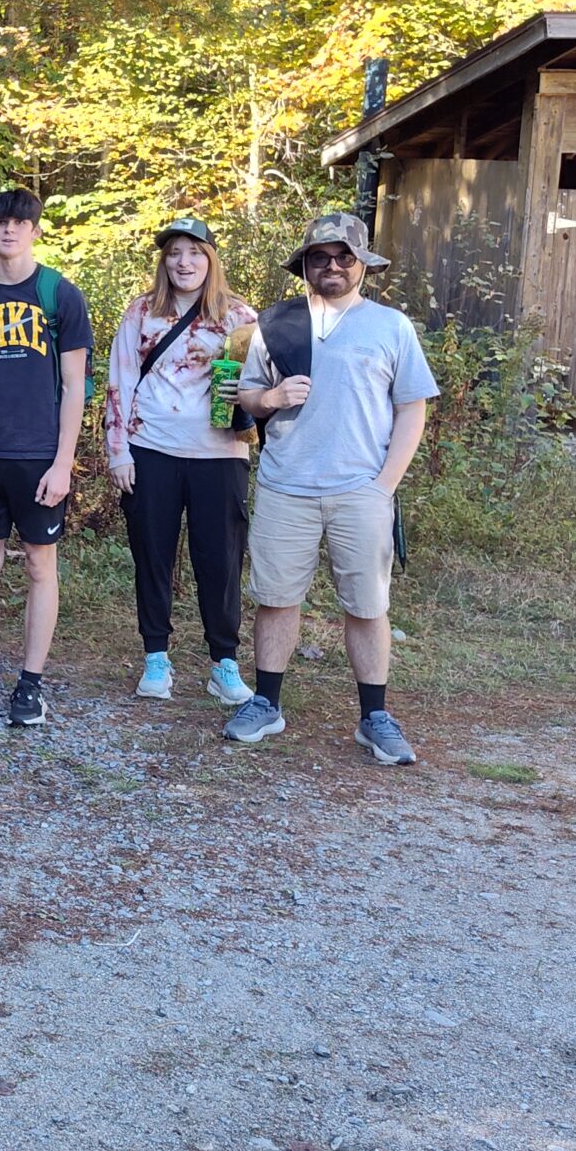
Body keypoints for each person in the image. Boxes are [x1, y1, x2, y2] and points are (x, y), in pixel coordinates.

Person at [227, 212, 436, 766]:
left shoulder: (392, 327)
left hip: (360, 490)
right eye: (321, 257)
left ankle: (375, 718)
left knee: (367, 607)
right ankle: (266, 704)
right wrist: (270, 400)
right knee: (275, 600)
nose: (333, 266)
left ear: (363, 264)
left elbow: (412, 410)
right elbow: (246, 397)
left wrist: (383, 486)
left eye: (345, 257)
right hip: (283, 486)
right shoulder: (277, 323)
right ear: (305, 265)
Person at [0, 189, 92, 730]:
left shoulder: (60, 294)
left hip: (39, 454)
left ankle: (29, 685)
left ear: (35, 230)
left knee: (38, 564)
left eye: (19, 223)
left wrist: (63, 462)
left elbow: (75, 387)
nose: (9, 231)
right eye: (0, 222)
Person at [104, 217, 260, 709]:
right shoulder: (141, 313)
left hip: (219, 453)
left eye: (195, 251)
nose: (184, 262)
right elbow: (120, 382)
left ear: (211, 259)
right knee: (152, 555)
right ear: (163, 260)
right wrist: (118, 452)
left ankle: (224, 663)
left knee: (220, 559)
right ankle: (156, 657)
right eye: (174, 252)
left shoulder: (239, 317)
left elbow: (260, 387)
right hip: (152, 449)